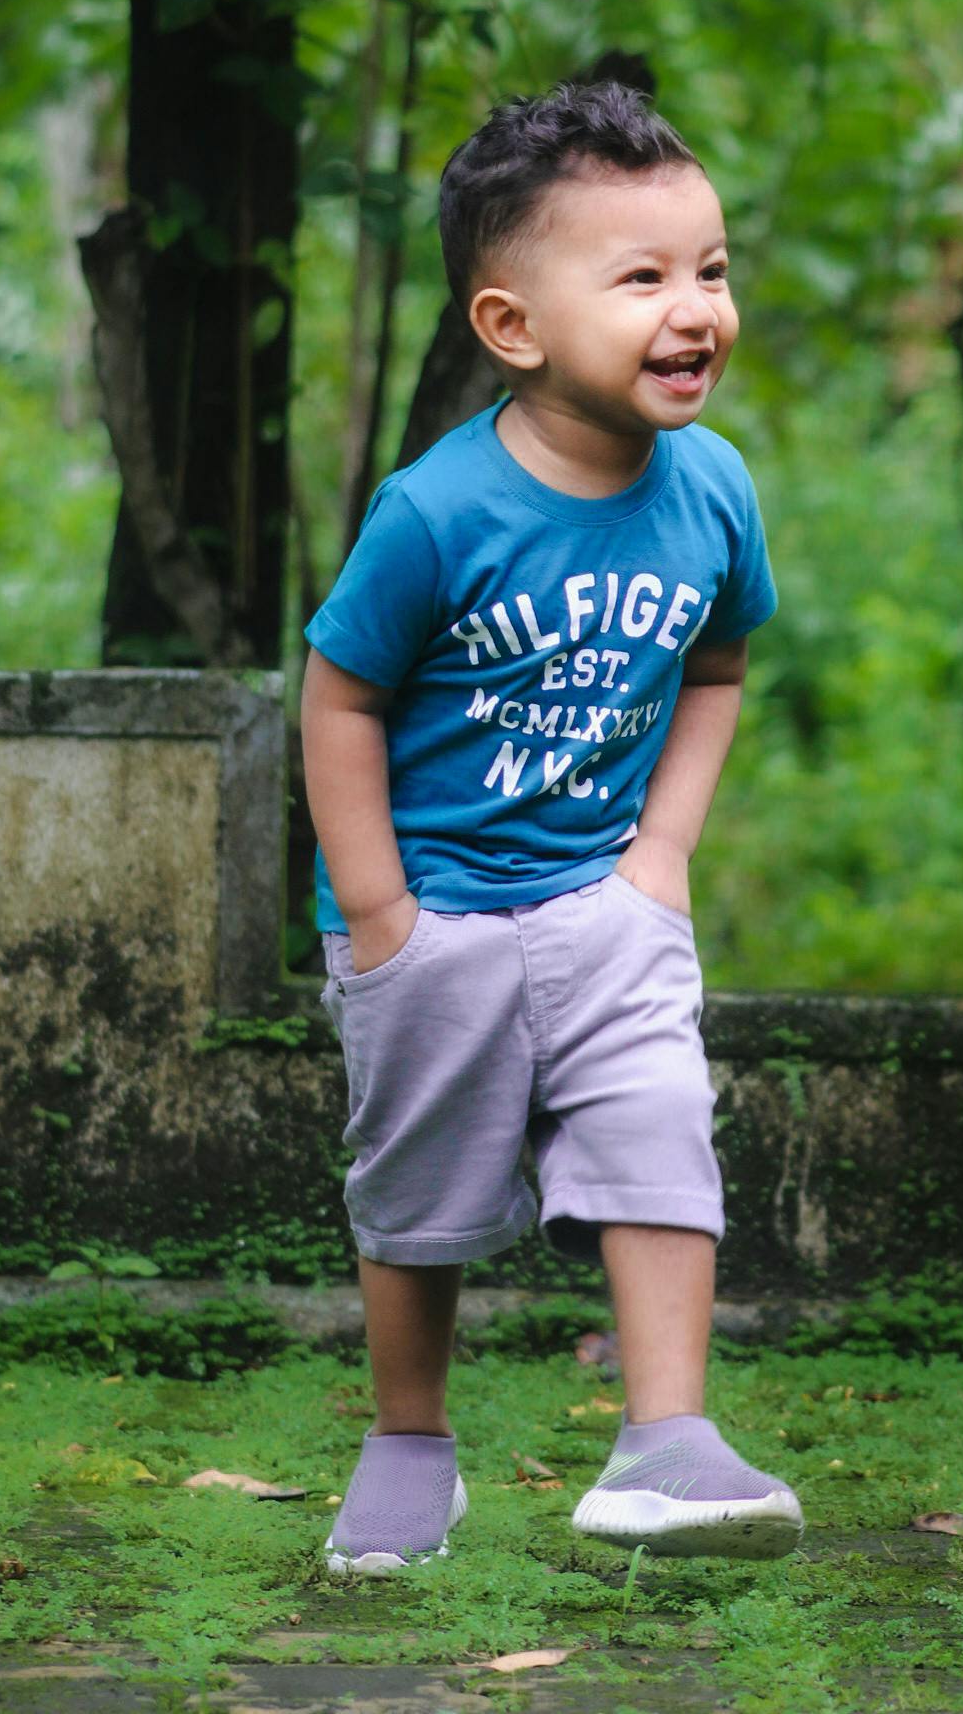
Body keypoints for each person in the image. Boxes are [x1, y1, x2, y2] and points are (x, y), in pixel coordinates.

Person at [301, 78, 804, 1577]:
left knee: (661, 1135)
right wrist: (382, 915)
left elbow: (717, 665)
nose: (695, 307)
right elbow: (336, 702)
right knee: (419, 1198)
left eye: (709, 268)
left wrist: (660, 862)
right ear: (513, 326)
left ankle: (666, 1442)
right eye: (641, 276)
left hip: (605, 906)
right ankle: (409, 1446)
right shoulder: (435, 511)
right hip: (435, 917)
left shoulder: (712, 490)